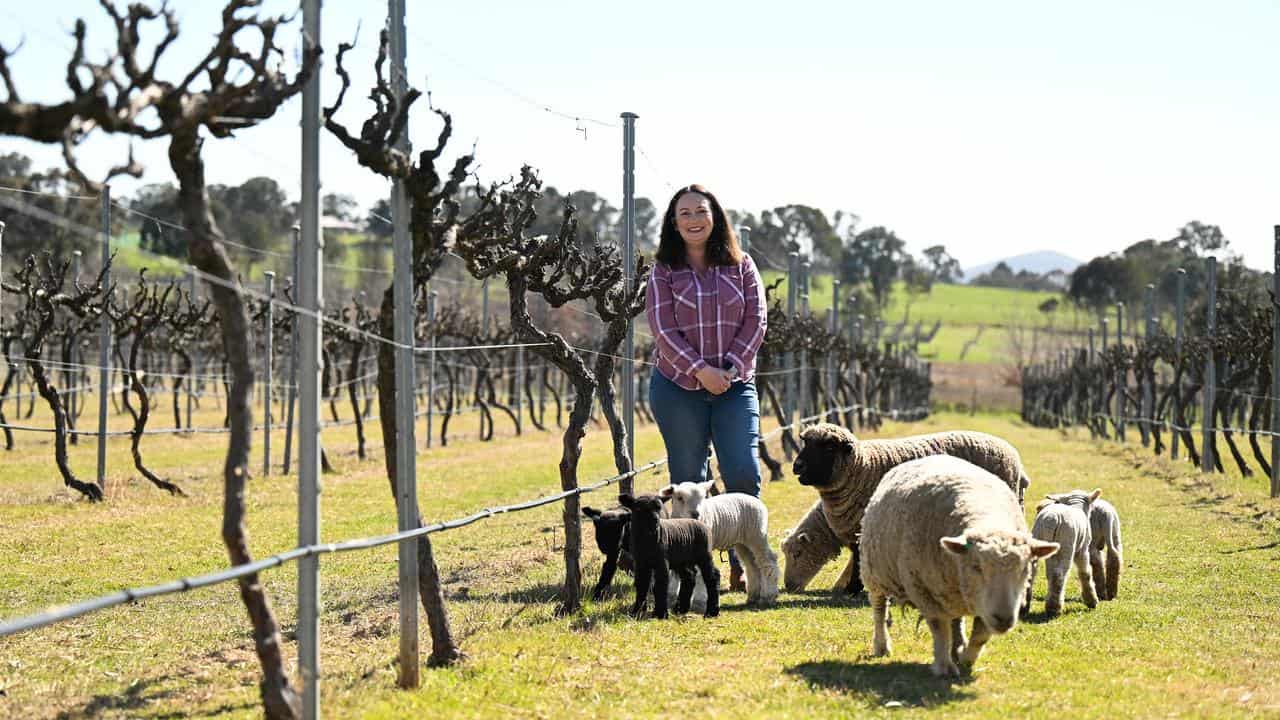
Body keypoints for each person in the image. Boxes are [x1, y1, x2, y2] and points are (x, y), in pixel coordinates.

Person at [645, 184, 767, 591]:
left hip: (734, 386)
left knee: (742, 473)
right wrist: (700, 371)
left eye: (701, 211)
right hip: (678, 387)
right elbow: (663, 330)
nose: (694, 220)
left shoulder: (742, 265)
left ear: (715, 217)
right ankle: (693, 570)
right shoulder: (663, 270)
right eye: (685, 214)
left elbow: (756, 322)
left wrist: (727, 370)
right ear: (674, 223)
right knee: (687, 480)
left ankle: (741, 558)